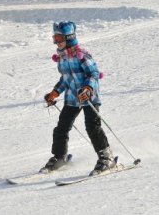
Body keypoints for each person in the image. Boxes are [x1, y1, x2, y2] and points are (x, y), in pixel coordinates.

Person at [43, 21, 115, 176]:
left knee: (92, 127)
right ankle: (59, 156)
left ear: (68, 38)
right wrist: (55, 93)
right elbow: (65, 79)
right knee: (61, 127)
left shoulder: (81, 55)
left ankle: (106, 158)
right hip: (72, 98)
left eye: (59, 38)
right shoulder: (62, 58)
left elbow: (94, 74)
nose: (56, 42)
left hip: (89, 97)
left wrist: (88, 88)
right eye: (54, 38)